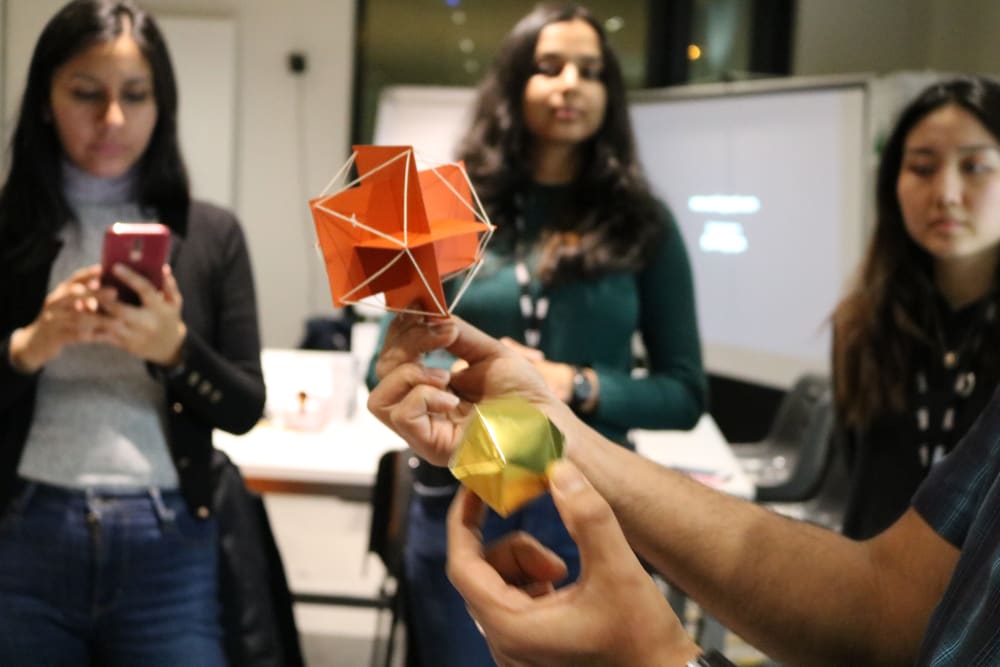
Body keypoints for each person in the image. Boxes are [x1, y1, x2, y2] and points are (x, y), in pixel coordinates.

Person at [365, 4, 705, 664]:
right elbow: (383, 364)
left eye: (591, 71)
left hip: (588, 495)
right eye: (550, 67)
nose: (571, 83)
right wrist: (447, 379)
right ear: (514, 81)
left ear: (610, 93)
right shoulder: (445, 206)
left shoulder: (643, 222)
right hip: (466, 482)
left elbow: (685, 393)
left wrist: (568, 383)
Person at [369, 311, 997, 666]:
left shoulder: (641, 224)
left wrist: (657, 658)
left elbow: (681, 390)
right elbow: (894, 602)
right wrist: (543, 432)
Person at [0, 1, 273, 664]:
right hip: (23, 526)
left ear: (162, 105)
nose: (112, 119)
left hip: (169, 536)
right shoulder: (9, 232)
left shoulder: (210, 235)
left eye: (135, 95)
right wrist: (28, 347)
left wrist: (175, 351)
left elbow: (244, 407)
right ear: (45, 102)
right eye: (85, 93)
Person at [832, 76, 1000, 539]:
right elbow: (861, 495)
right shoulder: (861, 325)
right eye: (923, 168)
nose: (946, 193)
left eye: (975, 167)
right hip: (871, 577)